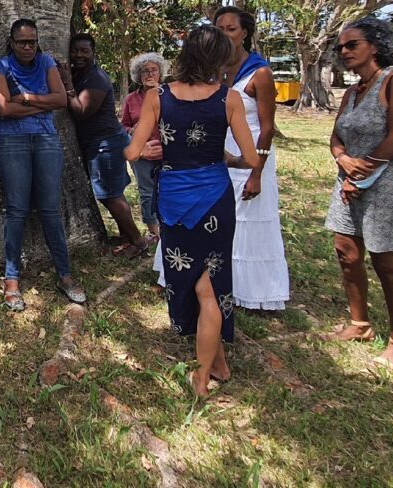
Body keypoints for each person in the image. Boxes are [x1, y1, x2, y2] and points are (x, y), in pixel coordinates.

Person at [124, 24, 262, 398]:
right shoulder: (228, 98)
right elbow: (250, 158)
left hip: (174, 200)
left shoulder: (158, 96)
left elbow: (133, 152)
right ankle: (218, 365)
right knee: (212, 284)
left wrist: (159, 150)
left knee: (199, 287)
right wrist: (224, 158)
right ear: (219, 59)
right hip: (216, 198)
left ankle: (201, 377)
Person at [325, 17, 393, 369]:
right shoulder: (353, 91)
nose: (344, 51)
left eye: (352, 44)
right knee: (346, 253)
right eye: (341, 47)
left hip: (386, 186)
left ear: (376, 46)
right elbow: (336, 135)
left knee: (387, 264)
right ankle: (360, 325)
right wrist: (342, 158)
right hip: (348, 182)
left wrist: (360, 172)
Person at [0, 18, 86, 311]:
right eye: (22, 42)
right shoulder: (0, 66)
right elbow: (3, 109)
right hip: (13, 143)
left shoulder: (46, 62)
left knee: (50, 210)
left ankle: (65, 275)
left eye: (32, 41)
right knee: (16, 210)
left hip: (46, 141)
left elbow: (61, 100)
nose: (28, 47)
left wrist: (29, 98)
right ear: (12, 42)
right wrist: (43, 102)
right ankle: (12, 279)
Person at [214, 6, 291, 311]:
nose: (225, 35)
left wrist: (256, 172)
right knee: (220, 219)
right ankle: (220, 281)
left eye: (231, 29)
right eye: (219, 29)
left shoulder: (260, 73)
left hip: (251, 157)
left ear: (244, 33)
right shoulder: (215, 69)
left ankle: (252, 291)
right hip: (222, 155)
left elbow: (268, 126)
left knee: (249, 221)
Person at [59, 33, 147, 259]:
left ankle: (138, 241)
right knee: (112, 192)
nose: (79, 55)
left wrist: (67, 83)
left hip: (105, 143)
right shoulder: (83, 74)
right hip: (98, 142)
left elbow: (81, 111)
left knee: (109, 195)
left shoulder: (96, 78)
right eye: (75, 50)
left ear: (93, 53)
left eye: (84, 51)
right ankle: (127, 236)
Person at [121, 52, 168, 243]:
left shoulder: (169, 95)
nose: (149, 74)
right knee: (147, 192)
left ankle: (169, 227)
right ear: (138, 76)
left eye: (153, 70)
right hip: (141, 152)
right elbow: (123, 126)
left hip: (167, 152)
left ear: (160, 73)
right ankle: (154, 231)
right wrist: (133, 131)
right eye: (145, 71)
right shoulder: (131, 99)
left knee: (167, 189)